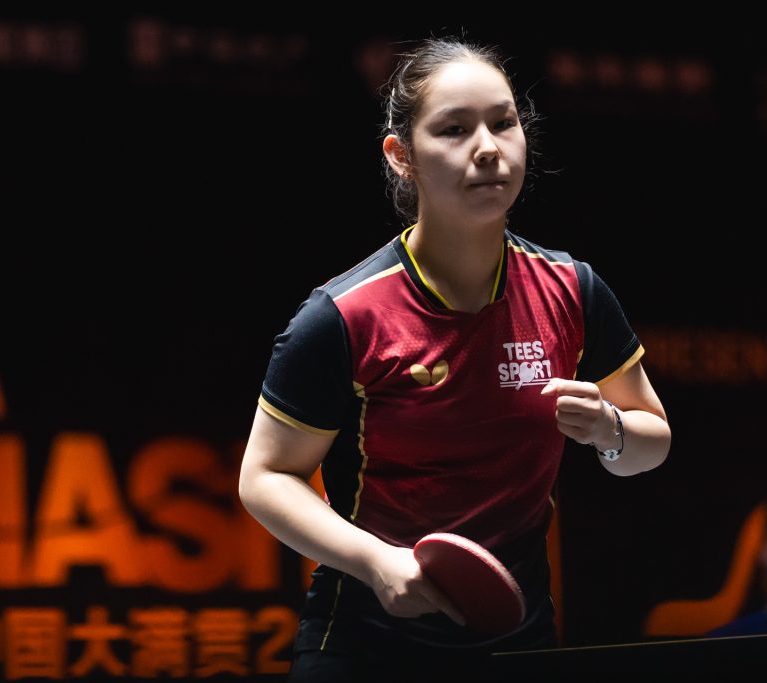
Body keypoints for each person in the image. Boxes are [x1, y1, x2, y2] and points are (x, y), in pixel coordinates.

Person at [237, 34, 672, 681]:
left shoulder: (572, 289)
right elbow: (265, 477)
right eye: (454, 129)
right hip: (363, 645)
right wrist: (377, 562)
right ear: (401, 156)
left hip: (516, 640)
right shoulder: (344, 316)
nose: (488, 147)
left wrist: (610, 430)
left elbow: (651, 441)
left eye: (503, 122)